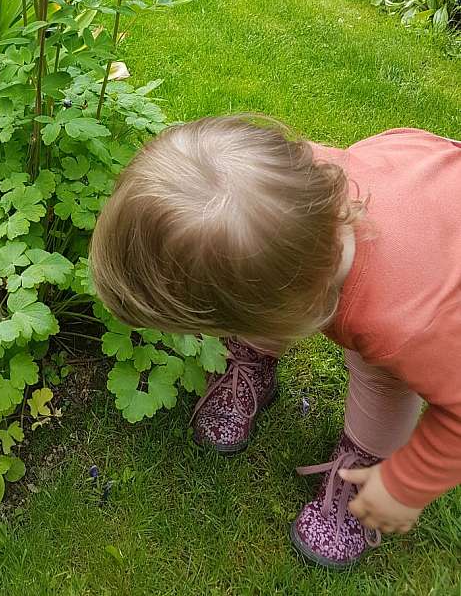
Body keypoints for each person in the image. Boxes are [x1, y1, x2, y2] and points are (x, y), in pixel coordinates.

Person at [90, 116, 461, 568]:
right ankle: (255, 357)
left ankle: (366, 465)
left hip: (435, 240)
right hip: (400, 172)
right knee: (252, 252)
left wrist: (406, 483)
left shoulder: (409, 326)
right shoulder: (282, 192)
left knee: (383, 376)